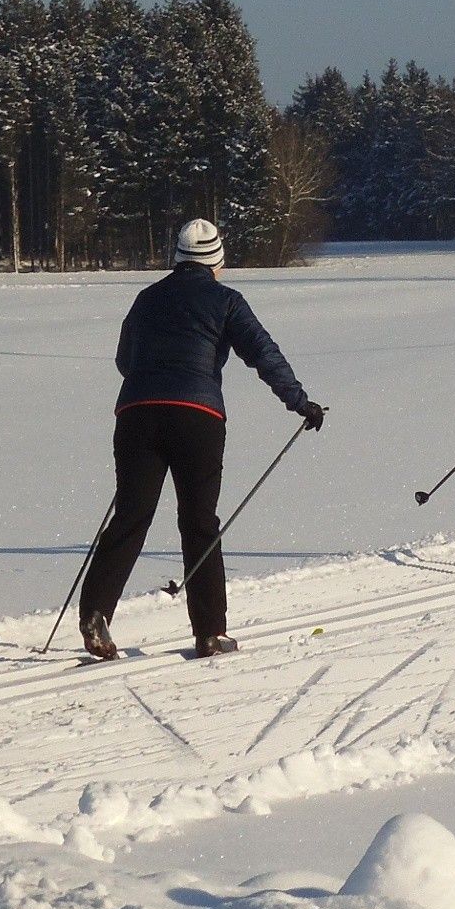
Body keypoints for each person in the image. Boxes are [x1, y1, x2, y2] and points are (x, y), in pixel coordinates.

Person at [78, 218, 325, 660]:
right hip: (198, 416)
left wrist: (152, 384)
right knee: (199, 521)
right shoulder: (226, 301)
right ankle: (210, 632)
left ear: (176, 257)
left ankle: (96, 612)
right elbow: (263, 353)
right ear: (216, 260)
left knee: (131, 513)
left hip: (135, 413)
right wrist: (299, 402)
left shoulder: (146, 298)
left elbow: (124, 360)